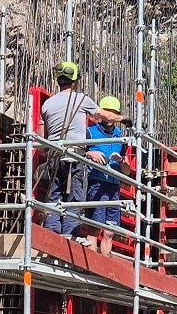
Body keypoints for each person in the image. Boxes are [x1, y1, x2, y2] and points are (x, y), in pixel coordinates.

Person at [38, 62, 121, 236]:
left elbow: (42, 141)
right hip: (75, 157)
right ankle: (69, 238)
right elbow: (105, 115)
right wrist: (123, 119)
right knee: (75, 199)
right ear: (75, 81)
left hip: (54, 156)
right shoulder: (82, 99)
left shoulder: (47, 105)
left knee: (55, 197)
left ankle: (52, 236)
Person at [82, 95, 131, 252]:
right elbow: (78, 153)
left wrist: (121, 160)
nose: (109, 117)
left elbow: (127, 172)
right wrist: (91, 154)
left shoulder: (121, 138)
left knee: (110, 231)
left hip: (113, 187)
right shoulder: (89, 133)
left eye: (112, 113)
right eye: (106, 112)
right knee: (95, 227)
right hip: (96, 184)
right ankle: (91, 268)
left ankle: (104, 263)